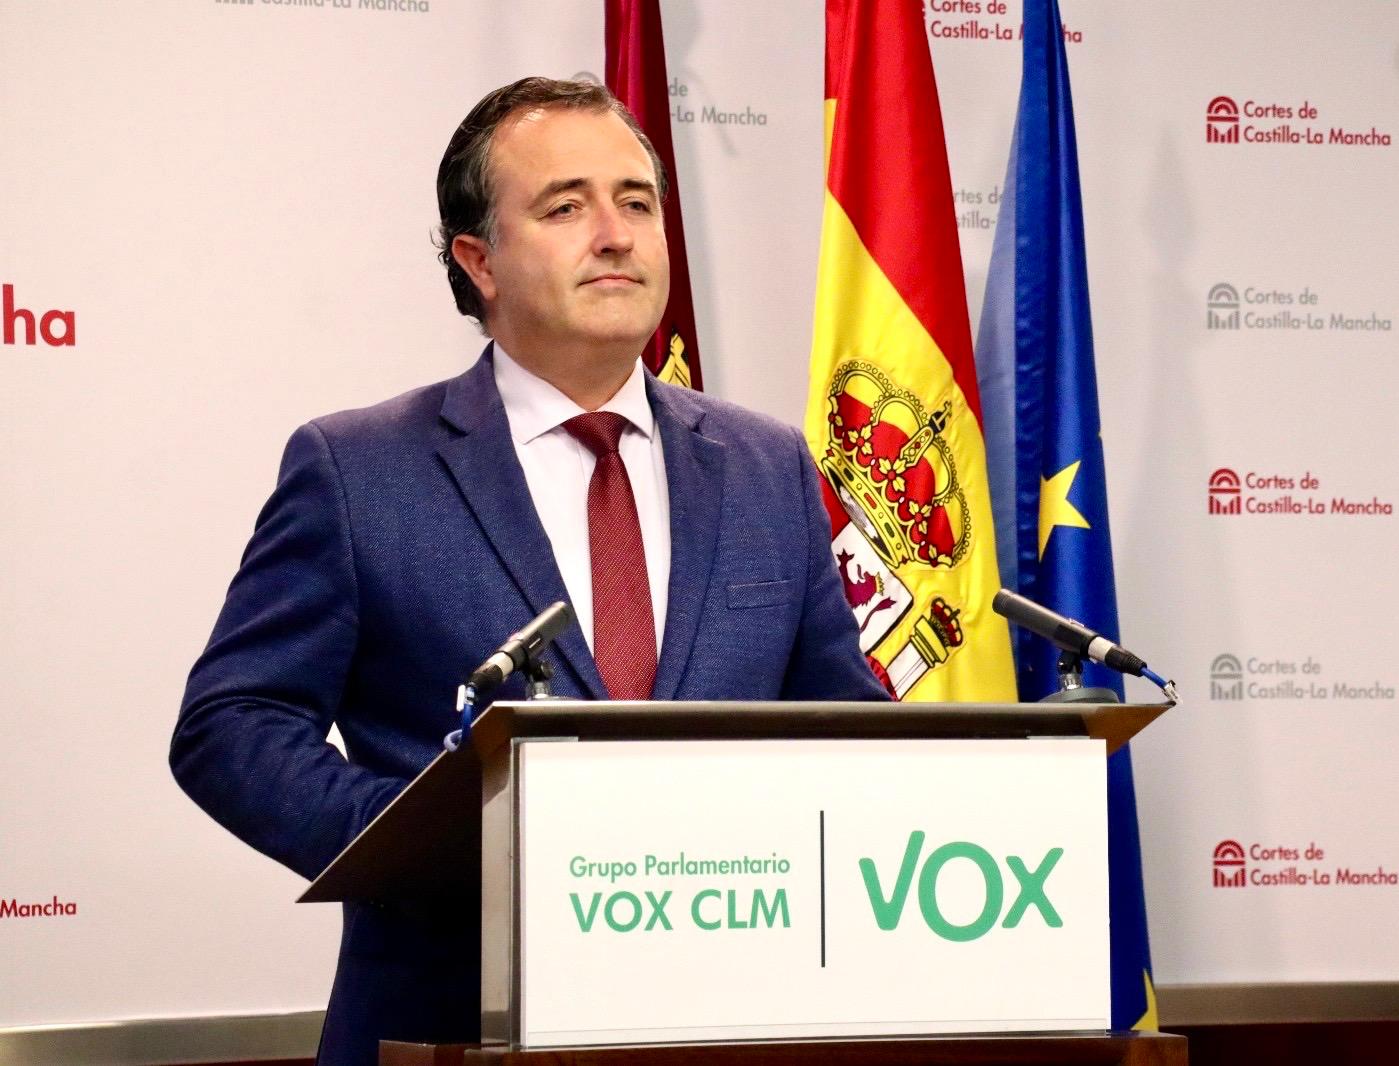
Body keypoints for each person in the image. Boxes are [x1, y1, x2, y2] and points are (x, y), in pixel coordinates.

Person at [171, 77, 885, 1066]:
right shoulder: (360, 469)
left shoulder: (767, 465)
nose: (616, 235)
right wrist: (415, 841)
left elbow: (846, 727)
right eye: (565, 207)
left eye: (636, 202)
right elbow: (231, 724)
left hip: (727, 1022)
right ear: (480, 261)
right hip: (449, 1022)